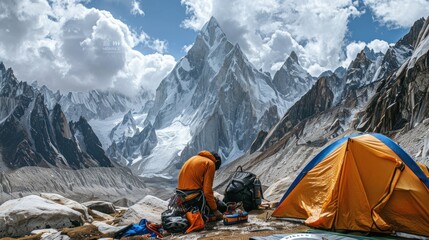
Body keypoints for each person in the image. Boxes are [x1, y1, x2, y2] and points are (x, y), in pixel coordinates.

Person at [177, 150, 225, 220]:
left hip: (181, 197)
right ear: (216, 162)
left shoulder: (194, 158)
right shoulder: (210, 163)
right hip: (193, 198)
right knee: (222, 207)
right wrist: (215, 210)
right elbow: (207, 191)